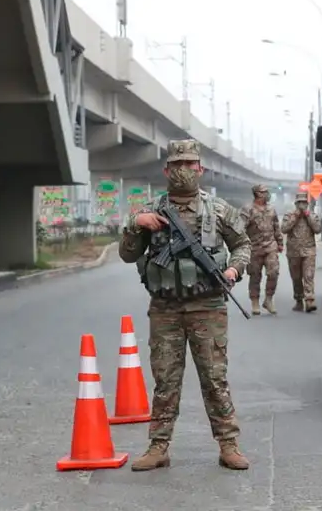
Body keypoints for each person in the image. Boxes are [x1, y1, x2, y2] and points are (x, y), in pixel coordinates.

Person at [118, 139, 252, 472]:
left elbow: (242, 245)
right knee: (165, 380)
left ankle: (229, 444)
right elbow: (128, 255)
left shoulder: (218, 210)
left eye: (190, 165)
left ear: (200, 169)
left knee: (214, 379)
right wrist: (136, 224)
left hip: (208, 306)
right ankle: (158, 446)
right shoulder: (150, 210)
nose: (184, 171)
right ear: (166, 171)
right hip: (165, 308)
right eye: (177, 165)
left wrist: (234, 269)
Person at [241, 183, 283, 315]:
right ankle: (255, 301)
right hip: (254, 248)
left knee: (273, 272)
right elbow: (240, 229)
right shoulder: (247, 209)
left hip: (270, 246)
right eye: (264, 192)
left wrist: (280, 242)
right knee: (255, 276)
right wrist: (243, 245)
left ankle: (268, 299)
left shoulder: (271, 209)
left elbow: (276, 226)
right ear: (257, 194)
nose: (267, 194)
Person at [282, 192, 322, 312]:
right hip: (293, 252)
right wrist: (295, 217)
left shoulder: (312, 215)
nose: (301, 205)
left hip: (308, 251)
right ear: (295, 204)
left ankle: (309, 300)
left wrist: (307, 216)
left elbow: (317, 229)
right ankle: (298, 299)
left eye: (304, 203)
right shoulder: (289, 215)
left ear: (307, 204)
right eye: (299, 203)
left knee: (308, 276)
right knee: (296, 278)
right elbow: (284, 229)